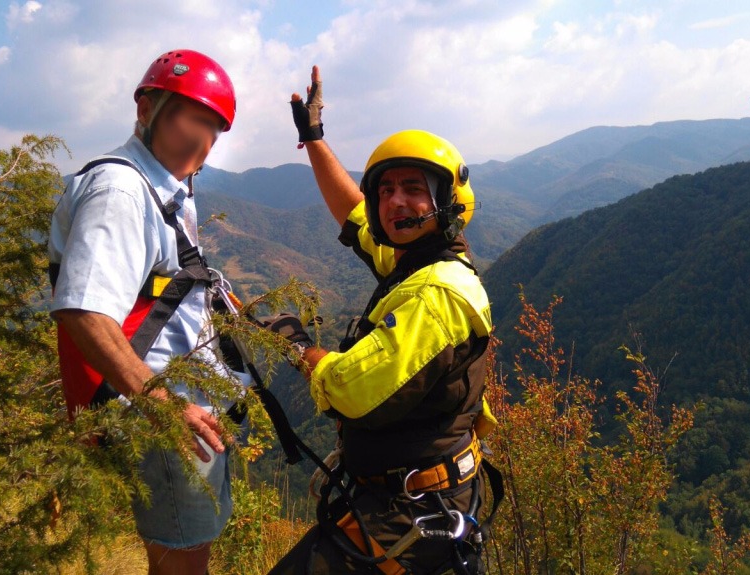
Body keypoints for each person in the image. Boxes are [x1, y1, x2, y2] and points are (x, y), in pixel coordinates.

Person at [263, 66, 501, 575]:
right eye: (385, 190)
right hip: (411, 494)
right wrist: (314, 139)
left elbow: (351, 389)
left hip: (415, 509)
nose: (395, 201)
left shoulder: (438, 293)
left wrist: (297, 343)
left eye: (412, 187)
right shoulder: (417, 257)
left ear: (447, 201)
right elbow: (353, 214)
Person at [49, 49, 244, 575]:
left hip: (185, 409)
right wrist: (161, 405)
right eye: (194, 118)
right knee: (182, 563)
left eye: (215, 127)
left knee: (188, 553)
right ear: (147, 109)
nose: (205, 139)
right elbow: (84, 310)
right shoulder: (121, 189)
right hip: (164, 418)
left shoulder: (165, 188)